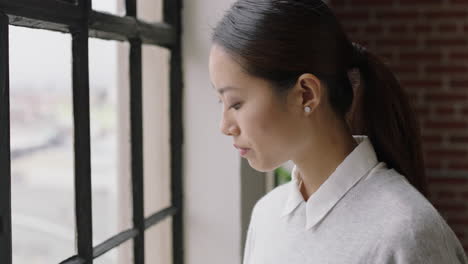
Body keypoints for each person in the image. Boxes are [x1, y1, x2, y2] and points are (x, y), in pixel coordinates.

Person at [208, 0, 468, 263]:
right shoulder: (267, 216)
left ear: (306, 94)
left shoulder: (406, 232)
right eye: (222, 103)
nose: (225, 127)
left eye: (236, 103)